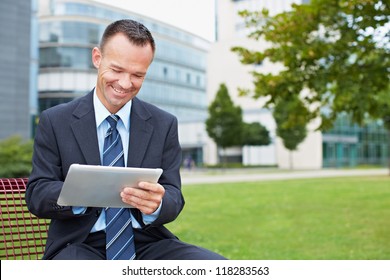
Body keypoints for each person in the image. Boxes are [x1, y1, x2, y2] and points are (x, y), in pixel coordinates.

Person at [25, 19, 226, 260]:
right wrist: (82, 193)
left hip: (147, 242)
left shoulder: (164, 124)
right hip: (78, 244)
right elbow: (37, 193)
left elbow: (174, 194)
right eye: (117, 70)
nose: (125, 84)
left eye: (137, 75)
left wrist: (158, 203)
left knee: (218, 267)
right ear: (97, 58)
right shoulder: (55, 121)